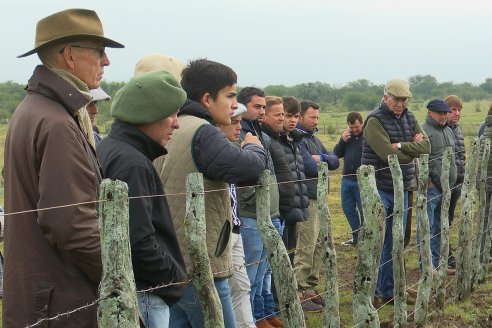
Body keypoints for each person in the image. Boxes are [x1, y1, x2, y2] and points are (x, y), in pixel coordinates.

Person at [3, 9, 123, 327]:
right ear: (70, 55)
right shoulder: (56, 122)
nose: (106, 61)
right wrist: (120, 277)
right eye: (99, 51)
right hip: (59, 302)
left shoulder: (35, 110)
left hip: (44, 295)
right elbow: (71, 224)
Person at [155, 59, 267, 328]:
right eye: (229, 95)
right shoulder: (202, 132)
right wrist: (254, 147)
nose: (233, 104)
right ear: (207, 98)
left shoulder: (175, 125)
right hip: (202, 261)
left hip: (173, 255)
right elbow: (246, 168)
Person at [97, 71, 188, 327]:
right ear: (147, 113)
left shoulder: (112, 149)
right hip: (146, 292)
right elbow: (138, 241)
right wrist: (174, 279)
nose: (177, 123)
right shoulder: (132, 164)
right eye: (171, 113)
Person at [361, 79, 430, 305]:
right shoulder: (374, 121)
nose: (400, 104)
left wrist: (400, 145)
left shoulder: (410, 118)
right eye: (396, 99)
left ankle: (391, 288)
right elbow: (385, 155)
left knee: (398, 238)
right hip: (379, 187)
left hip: (402, 186)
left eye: (404, 99)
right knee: (380, 239)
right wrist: (412, 147)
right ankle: (376, 292)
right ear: (385, 97)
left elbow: (426, 147)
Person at [236, 87, 283, 328]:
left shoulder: (258, 131)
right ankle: (253, 319)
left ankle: (265, 313)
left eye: (264, 107)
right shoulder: (239, 132)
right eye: (257, 106)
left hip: (269, 210)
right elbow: (243, 175)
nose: (262, 111)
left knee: (266, 270)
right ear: (243, 107)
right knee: (252, 272)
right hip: (252, 213)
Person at [295, 100, 339, 312]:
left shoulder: (313, 139)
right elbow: (310, 167)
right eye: (312, 117)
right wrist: (322, 161)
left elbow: (335, 160)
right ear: (301, 116)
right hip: (307, 198)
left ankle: (311, 287)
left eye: (317, 118)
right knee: (307, 245)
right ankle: (299, 292)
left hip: (320, 198)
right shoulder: (298, 140)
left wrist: (321, 157)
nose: (315, 121)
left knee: (320, 243)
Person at [216, 104, 256, 328]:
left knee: (242, 285)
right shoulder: (219, 151)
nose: (239, 127)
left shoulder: (232, 147)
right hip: (221, 232)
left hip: (234, 226)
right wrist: (253, 150)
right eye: (234, 122)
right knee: (226, 288)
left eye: (241, 121)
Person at [420, 99, 457, 274]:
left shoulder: (449, 131)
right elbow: (420, 158)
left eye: (445, 113)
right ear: (430, 112)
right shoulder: (424, 131)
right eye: (440, 113)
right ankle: (427, 265)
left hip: (447, 187)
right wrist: (427, 179)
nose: (443, 116)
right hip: (432, 186)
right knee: (427, 227)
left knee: (441, 226)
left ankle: (439, 264)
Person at [278, 96, 309, 263]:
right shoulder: (276, 140)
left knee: (291, 251)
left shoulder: (295, 139)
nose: (292, 120)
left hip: (295, 206)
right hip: (282, 207)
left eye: (296, 116)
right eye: (288, 116)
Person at [334, 112, 364, 247]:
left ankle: (365, 237)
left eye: (357, 127)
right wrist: (342, 141)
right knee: (348, 208)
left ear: (361, 124)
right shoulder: (347, 138)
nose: (354, 130)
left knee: (364, 210)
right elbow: (336, 154)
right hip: (347, 179)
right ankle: (356, 236)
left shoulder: (368, 137)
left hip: (362, 180)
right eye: (352, 127)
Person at [443, 95, 465, 269]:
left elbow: (460, 155)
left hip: (458, 180)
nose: (457, 113)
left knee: (449, 218)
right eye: (453, 110)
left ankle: (446, 252)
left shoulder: (457, 129)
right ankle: (444, 255)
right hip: (445, 182)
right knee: (442, 219)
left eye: (459, 110)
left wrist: (462, 175)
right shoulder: (442, 129)